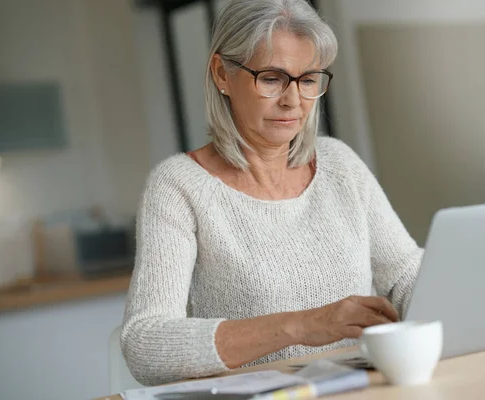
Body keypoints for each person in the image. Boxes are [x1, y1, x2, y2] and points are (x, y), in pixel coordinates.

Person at [121, 0, 424, 386]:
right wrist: (304, 325)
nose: (293, 100)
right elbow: (145, 343)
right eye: (271, 78)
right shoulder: (178, 186)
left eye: (309, 78)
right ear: (222, 74)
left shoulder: (340, 164)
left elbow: (405, 275)